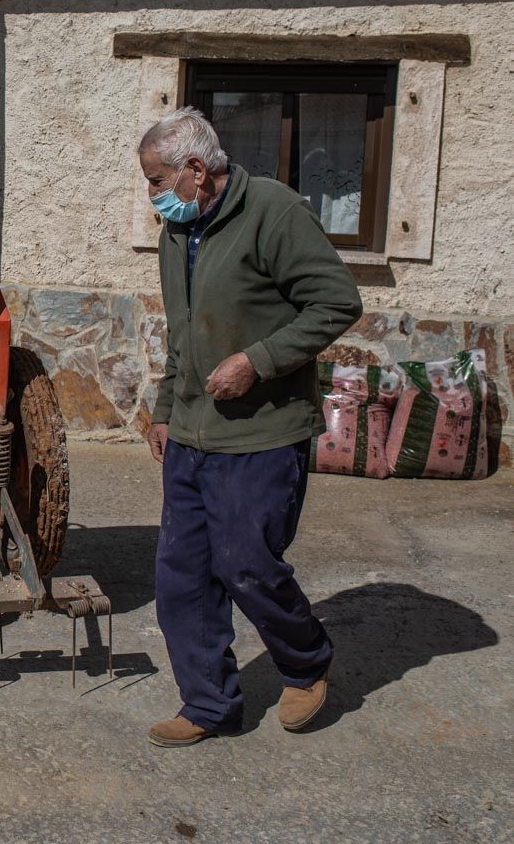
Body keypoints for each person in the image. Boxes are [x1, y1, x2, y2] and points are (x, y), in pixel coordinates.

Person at [139, 106, 363, 747]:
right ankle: (209, 704)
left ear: (195, 169)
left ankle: (306, 661)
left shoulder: (275, 211)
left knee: (247, 564)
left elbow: (337, 302)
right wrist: (165, 410)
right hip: (191, 434)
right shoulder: (177, 233)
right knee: (181, 579)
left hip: (262, 432)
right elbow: (183, 334)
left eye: (157, 180)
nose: (152, 195)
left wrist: (256, 362)